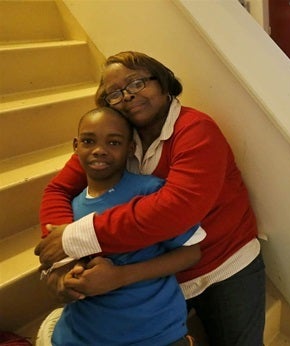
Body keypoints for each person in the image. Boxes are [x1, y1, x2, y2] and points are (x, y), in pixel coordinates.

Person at [35, 51, 266, 345]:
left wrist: (75, 238)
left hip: (222, 261)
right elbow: (58, 190)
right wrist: (62, 264)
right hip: (158, 271)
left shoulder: (196, 130)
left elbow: (176, 210)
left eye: (136, 83)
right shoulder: (115, 140)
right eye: (115, 94)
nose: (128, 96)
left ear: (164, 83)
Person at [39, 107, 205, 345]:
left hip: (154, 331)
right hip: (82, 332)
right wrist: (68, 280)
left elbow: (191, 253)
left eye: (114, 142)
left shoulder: (151, 191)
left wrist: (120, 276)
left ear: (130, 149)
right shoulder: (70, 208)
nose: (99, 150)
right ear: (76, 146)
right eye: (88, 141)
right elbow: (53, 263)